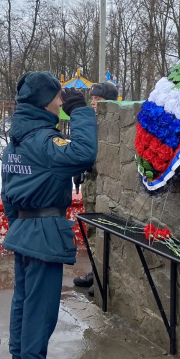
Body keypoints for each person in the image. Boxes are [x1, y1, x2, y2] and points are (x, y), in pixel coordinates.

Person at [1, 71, 97, 359]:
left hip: (24, 230)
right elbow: (84, 153)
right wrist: (81, 111)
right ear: (45, 101)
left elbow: (7, 195)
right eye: (57, 97)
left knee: (23, 305)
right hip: (42, 233)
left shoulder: (16, 141)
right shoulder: (44, 140)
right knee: (40, 310)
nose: (60, 102)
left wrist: (19, 227)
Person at [73, 81, 120, 295]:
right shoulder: (90, 122)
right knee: (91, 227)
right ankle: (95, 269)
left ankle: (104, 275)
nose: (93, 103)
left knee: (104, 229)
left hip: (106, 185)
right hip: (91, 183)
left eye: (98, 99)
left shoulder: (114, 123)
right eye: (92, 99)